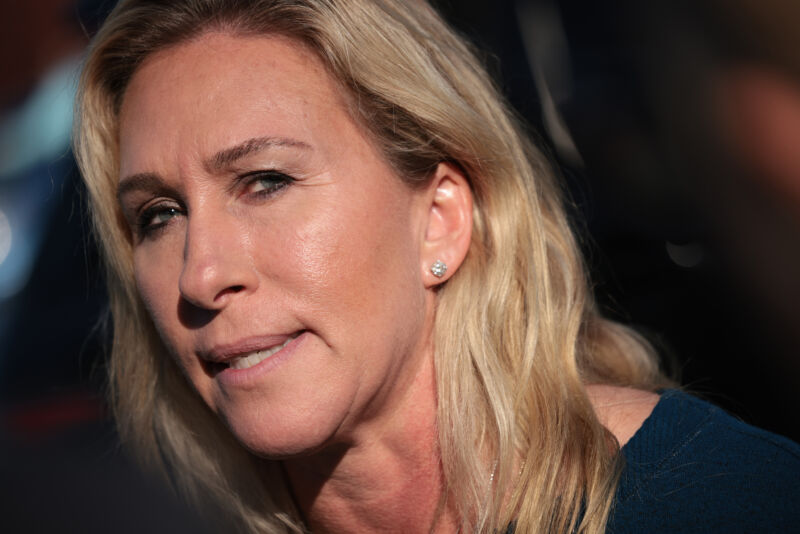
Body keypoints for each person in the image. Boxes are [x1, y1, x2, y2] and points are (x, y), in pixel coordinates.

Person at [73, 0, 799, 532]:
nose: (200, 277)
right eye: (158, 215)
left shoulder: (729, 505)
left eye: (265, 181)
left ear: (440, 219)